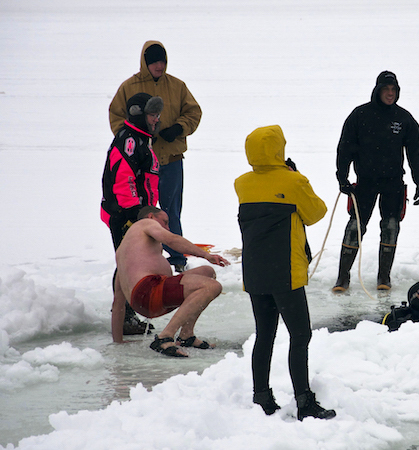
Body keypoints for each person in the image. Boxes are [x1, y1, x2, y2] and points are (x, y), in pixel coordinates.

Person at [234, 125, 335, 421]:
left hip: (254, 271)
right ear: (280, 150)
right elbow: (316, 213)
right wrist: (295, 176)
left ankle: (261, 397)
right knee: (300, 335)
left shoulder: (242, 183)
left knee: (264, 334)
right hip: (285, 272)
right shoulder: (293, 181)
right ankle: (304, 402)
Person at [110, 40, 203, 272]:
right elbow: (116, 118)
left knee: (171, 213)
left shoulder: (177, 86)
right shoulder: (128, 87)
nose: (159, 66)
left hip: (170, 161)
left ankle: (177, 259)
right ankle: (147, 258)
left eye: (162, 61)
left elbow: (194, 112)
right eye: (154, 62)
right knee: (144, 213)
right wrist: (136, 141)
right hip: (140, 166)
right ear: (145, 63)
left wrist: (179, 128)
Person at [333, 70, 419, 292]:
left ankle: (384, 277)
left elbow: (415, 153)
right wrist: (342, 176)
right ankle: (342, 278)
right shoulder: (360, 115)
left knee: (391, 227)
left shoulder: (404, 119)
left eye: (394, 90)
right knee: (355, 227)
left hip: (393, 183)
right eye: (386, 89)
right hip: (365, 182)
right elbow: (345, 147)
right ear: (378, 91)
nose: (390, 94)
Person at [112, 206, 230, 357]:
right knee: (212, 287)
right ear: (151, 217)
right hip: (150, 291)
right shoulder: (145, 224)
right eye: (165, 222)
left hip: (144, 300)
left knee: (207, 272)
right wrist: (205, 255)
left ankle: (186, 335)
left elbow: (118, 302)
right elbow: (171, 239)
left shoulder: (124, 250)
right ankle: (164, 337)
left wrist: (118, 341)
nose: (167, 227)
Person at [101, 92, 162, 335]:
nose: (156, 119)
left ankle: (128, 314)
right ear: (139, 115)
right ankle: (123, 316)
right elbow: (123, 179)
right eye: (152, 114)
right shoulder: (129, 140)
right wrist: (137, 212)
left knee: (131, 262)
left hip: (136, 213)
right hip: (125, 214)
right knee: (128, 264)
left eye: (157, 115)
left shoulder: (140, 139)